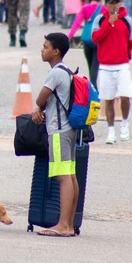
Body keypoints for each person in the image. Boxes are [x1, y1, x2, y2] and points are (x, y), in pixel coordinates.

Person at [30, 32, 80, 237]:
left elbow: (41, 98)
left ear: (56, 51)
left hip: (58, 131)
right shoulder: (67, 71)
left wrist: (38, 108)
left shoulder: (55, 73)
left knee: (62, 177)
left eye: (45, 47)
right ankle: (69, 223)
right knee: (70, 175)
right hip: (69, 129)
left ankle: (63, 225)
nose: (42, 50)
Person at [90, 0, 132, 145]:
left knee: (125, 96)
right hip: (106, 67)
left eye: (116, 3)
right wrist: (108, 23)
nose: (114, 6)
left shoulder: (127, 20)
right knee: (108, 100)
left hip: (122, 66)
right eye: (111, 4)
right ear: (105, 5)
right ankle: (111, 130)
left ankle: (125, 123)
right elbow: (95, 38)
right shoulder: (99, 20)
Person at [66, 0, 104, 86]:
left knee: (90, 65)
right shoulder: (103, 9)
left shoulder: (84, 8)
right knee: (95, 67)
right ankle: (94, 89)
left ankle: (92, 88)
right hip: (98, 41)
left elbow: (77, 23)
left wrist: (68, 36)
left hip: (86, 40)